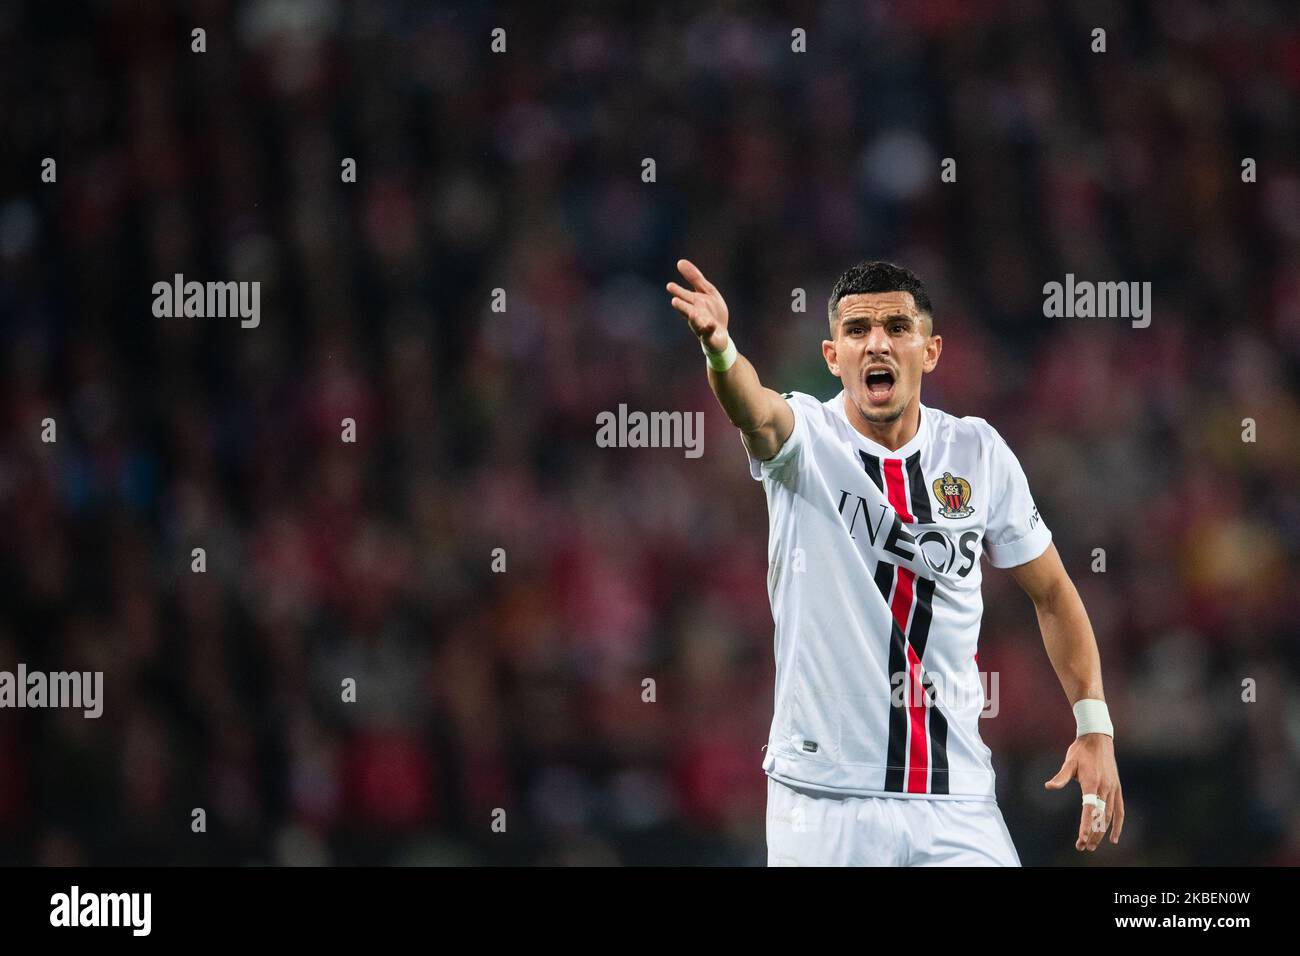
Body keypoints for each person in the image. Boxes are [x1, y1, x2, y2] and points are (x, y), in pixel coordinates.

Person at [666, 258, 1124, 866]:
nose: (876, 342)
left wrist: (1093, 725)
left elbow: (1054, 593)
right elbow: (755, 408)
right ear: (833, 357)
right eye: (856, 331)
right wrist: (721, 351)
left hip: (955, 798)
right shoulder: (805, 439)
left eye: (896, 327)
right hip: (824, 797)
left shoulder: (977, 452)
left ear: (929, 351)